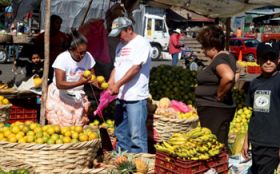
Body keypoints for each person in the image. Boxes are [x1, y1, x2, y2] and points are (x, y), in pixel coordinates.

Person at [107, 17, 151, 153]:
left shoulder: (141, 43)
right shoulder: (120, 46)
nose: (118, 38)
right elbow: (117, 66)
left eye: (120, 34)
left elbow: (135, 68)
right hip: (121, 97)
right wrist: (111, 80)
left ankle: (141, 167)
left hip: (136, 97)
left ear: (129, 29)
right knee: (120, 133)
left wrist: (119, 84)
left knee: (136, 137)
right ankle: (122, 164)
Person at [241, 42, 280, 174]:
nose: (268, 62)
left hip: (273, 143)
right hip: (256, 142)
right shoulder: (254, 84)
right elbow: (253, 115)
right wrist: (246, 141)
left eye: (272, 58)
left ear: (278, 59)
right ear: (257, 60)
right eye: (264, 58)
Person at [195, 26, 236, 147]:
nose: (203, 50)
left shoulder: (219, 59)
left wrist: (219, 94)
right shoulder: (227, 56)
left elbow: (228, 76)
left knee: (213, 146)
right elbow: (237, 72)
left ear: (213, 48)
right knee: (216, 144)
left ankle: (217, 166)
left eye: (204, 47)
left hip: (214, 110)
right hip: (214, 110)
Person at [46, 29, 96, 127]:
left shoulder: (88, 57)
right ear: (71, 49)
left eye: (84, 52)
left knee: (78, 126)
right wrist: (80, 82)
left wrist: (104, 87)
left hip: (77, 97)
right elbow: (60, 84)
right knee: (60, 127)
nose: (82, 56)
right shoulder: (62, 59)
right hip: (60, 96)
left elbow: (93, 78)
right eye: (80, 52)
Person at [35, 15, 68, 83]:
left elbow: (66, 49)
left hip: (59, 65)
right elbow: (37, 51)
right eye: (57, 23)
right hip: (45, 65)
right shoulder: (42, 37)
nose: (59, 25)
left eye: (60, 23)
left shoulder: (63, 36)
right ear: (50, 23)